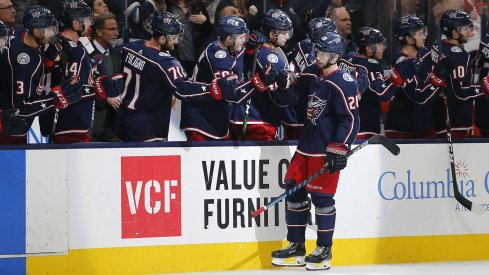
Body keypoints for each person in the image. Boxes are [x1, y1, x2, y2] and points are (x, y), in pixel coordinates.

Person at [271, 30, 359, 271]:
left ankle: (324, 249)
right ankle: (296, 245)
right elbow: (290, 98)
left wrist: (340, 148)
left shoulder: (344, 82)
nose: (318, 56)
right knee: (293, 192)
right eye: (317, 51)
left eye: (323, 53)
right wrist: (281, 87)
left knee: (322, 199)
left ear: (336, 56)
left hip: (325, 151)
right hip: (305, 148)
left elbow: (350, 119)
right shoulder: (312, 73)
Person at [115, 11, 239, 142]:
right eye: (173, 37)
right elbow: (183, 89)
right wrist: (212, 88)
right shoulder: (166, 62)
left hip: (123, 121)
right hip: (147, 130)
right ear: (162, 38)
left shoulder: (131, 47)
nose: (175, 42)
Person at [180, 15, 277, 141]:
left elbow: (240, 53)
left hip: (215, 117)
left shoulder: (229, 47)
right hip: (201, 122)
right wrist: (259, 81)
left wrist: (249, 48)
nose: (244, 40)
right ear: (230, 38)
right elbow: (232, 94)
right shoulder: (218, 58)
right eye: (242, 37)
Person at [0, 5, 83, 144]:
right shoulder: (22, 63)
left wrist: (48, 59)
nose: (53, 33)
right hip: (9, 133)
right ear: (37, 31)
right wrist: (56, 99)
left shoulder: (21, 33)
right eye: (50, 29)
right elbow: (20, 111)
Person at [40, 0, 102, 143]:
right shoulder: (74, 48)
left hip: (57, 119)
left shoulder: (59, 43)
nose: (91, 24)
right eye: (87, 20)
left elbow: (96, 61)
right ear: (75, 24)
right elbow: (72, 85)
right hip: (71, 121)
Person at [229, 8, 294, 141]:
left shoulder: (256, 49)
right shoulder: (272, 57)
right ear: (272, 34)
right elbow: (280, 99)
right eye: (284, 32)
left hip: (239, 116)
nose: (287, 36)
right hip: (260, 121)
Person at [432, 9, 489, 138]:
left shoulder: (437, 46)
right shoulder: (460, 55)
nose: (470, 31)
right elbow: (460, 92)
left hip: (440, 117)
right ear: (454, 32)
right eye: (465, 28)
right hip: (456, 121)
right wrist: (484, 87)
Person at [282, 17, 337, 140]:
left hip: (291, 109)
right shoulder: (317, 56)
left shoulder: (302, 44)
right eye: (332, 33)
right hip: (301, 112)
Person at [348, 27, 399, 139]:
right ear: (369, 49)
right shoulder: (371, 66)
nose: (383, 47)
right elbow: (382, 93)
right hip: (366, 126)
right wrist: (396, 79)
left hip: (349, 125)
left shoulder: (350, 60)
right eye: (380, 44)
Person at [89, 12, 122, 141]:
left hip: (112, 127)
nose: (117, 33)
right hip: (91, 125)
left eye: (117, 29)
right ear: (99, 32)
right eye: (112, 29)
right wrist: (104, 98)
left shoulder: (118, 54)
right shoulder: (84, 53)